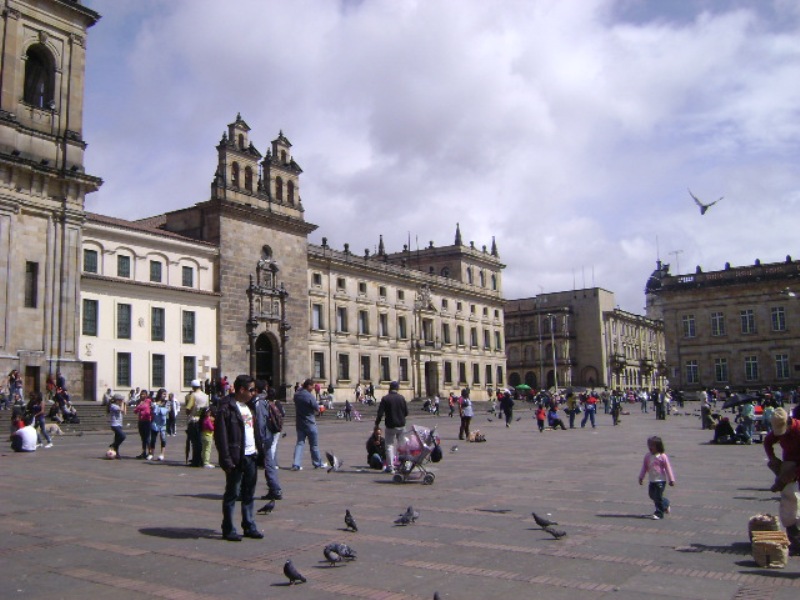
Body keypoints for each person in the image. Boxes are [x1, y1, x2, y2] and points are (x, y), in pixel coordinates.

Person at [214, 374, 263, 542]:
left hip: (251, 455)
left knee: (249, 493)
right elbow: (221, 436)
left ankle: (249, 525)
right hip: (236, 457)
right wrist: (226, 459)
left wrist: (259, 451)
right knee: (232, 493)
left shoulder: (249, 406)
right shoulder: (226, 407)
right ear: (241, 389)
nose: (254, 393)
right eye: (251, 390)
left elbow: (253, 431)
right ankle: (228, 528)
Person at [764, 408, 800, 552]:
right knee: (789, 497)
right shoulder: (779, 429)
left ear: (790, 422)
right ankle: (794, 534)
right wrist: (772, 458)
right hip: (789, 464)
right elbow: (767, 442)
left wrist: (794, 473)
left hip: (796, 467)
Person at [252, 380, 282, 500]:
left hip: (263, 438)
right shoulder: (265, 400)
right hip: (266, 436)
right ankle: (275, 489)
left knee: (267, 463)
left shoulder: (259, 401)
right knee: (268, 463)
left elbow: (260, 422)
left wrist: (260, 440)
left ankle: (275, 489)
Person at [638, 436, 675, 520]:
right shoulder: (648, 456)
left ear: (658, 446)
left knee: (657, 497)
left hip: (660, 480)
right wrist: (641, 477)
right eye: (649, 445)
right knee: (652, 495)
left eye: (652, 445)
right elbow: (644, 467)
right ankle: (666, 504)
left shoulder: (662, 456)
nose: (650, 447)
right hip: (652, 480)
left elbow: (668, 468)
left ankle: (659, 513)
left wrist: (671, 479)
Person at [375, 381, 408, 474]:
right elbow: (406, 412)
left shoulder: (386, 399)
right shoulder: (401, 398)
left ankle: (390, 467)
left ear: (390, 388)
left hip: (390, 425)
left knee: (389, 445)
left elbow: (380, 413)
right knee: (402, 446)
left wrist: (377, 423)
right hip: (401, 425)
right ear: (397, 388)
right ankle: (404, 465)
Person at [291, 378, 324, 470]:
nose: (314, 387)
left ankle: (296, 464)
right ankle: (317, 463)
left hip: (300, 423)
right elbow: (316, 408)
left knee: (300, 443)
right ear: (308, 386)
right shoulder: (309, 396)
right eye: (312, 386)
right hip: (310, 423)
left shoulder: (296, 395)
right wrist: (321, 408)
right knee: (314, 445)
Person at [185, 379, 209, 467]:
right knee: (200, 441)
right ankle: (200, 459)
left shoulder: (193, 395)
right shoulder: (206, 396)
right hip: (202, 420)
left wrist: (189, 412)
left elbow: (188, 408)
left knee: (194, 442)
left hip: (193, 420)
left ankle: (196, 460)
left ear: (193, 387)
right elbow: (207, 408)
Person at [133, 390, 154, 459]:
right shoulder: (139, 402)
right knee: (143, 438)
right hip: (141, 421)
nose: (142, 396)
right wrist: (139, 405)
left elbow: (152, 409)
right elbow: (135, 411)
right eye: (141, 394)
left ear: (146, 395)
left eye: (144, 394)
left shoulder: (149, 401)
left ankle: (150, 452)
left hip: (147, 421)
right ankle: (143, 452)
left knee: (147, 437)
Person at [150, 389, 169, 461]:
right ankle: (151, 453)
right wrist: (154, 407)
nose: (165, 395)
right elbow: (152, 410)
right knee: (153, 439)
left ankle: (162, 454)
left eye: (165, 394)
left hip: (163, 423)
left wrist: (158, 408)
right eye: (163, 394)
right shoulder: (154, 401)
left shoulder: (167, 402)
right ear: (160, 394)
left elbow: (167, 410)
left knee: (163, 438)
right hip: (155, 422)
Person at [107, 392, 126, 458]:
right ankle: (113, 445)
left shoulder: (118, 406)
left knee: (117, 438)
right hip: (115, 425)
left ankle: (116, 453)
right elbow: (122, 410)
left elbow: (124, 412)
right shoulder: (113, 406)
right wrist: (123, 403)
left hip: (119, 424)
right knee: (123, 436)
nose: (121, 401)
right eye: (120, 400)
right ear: (116, 400)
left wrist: (124, 404)